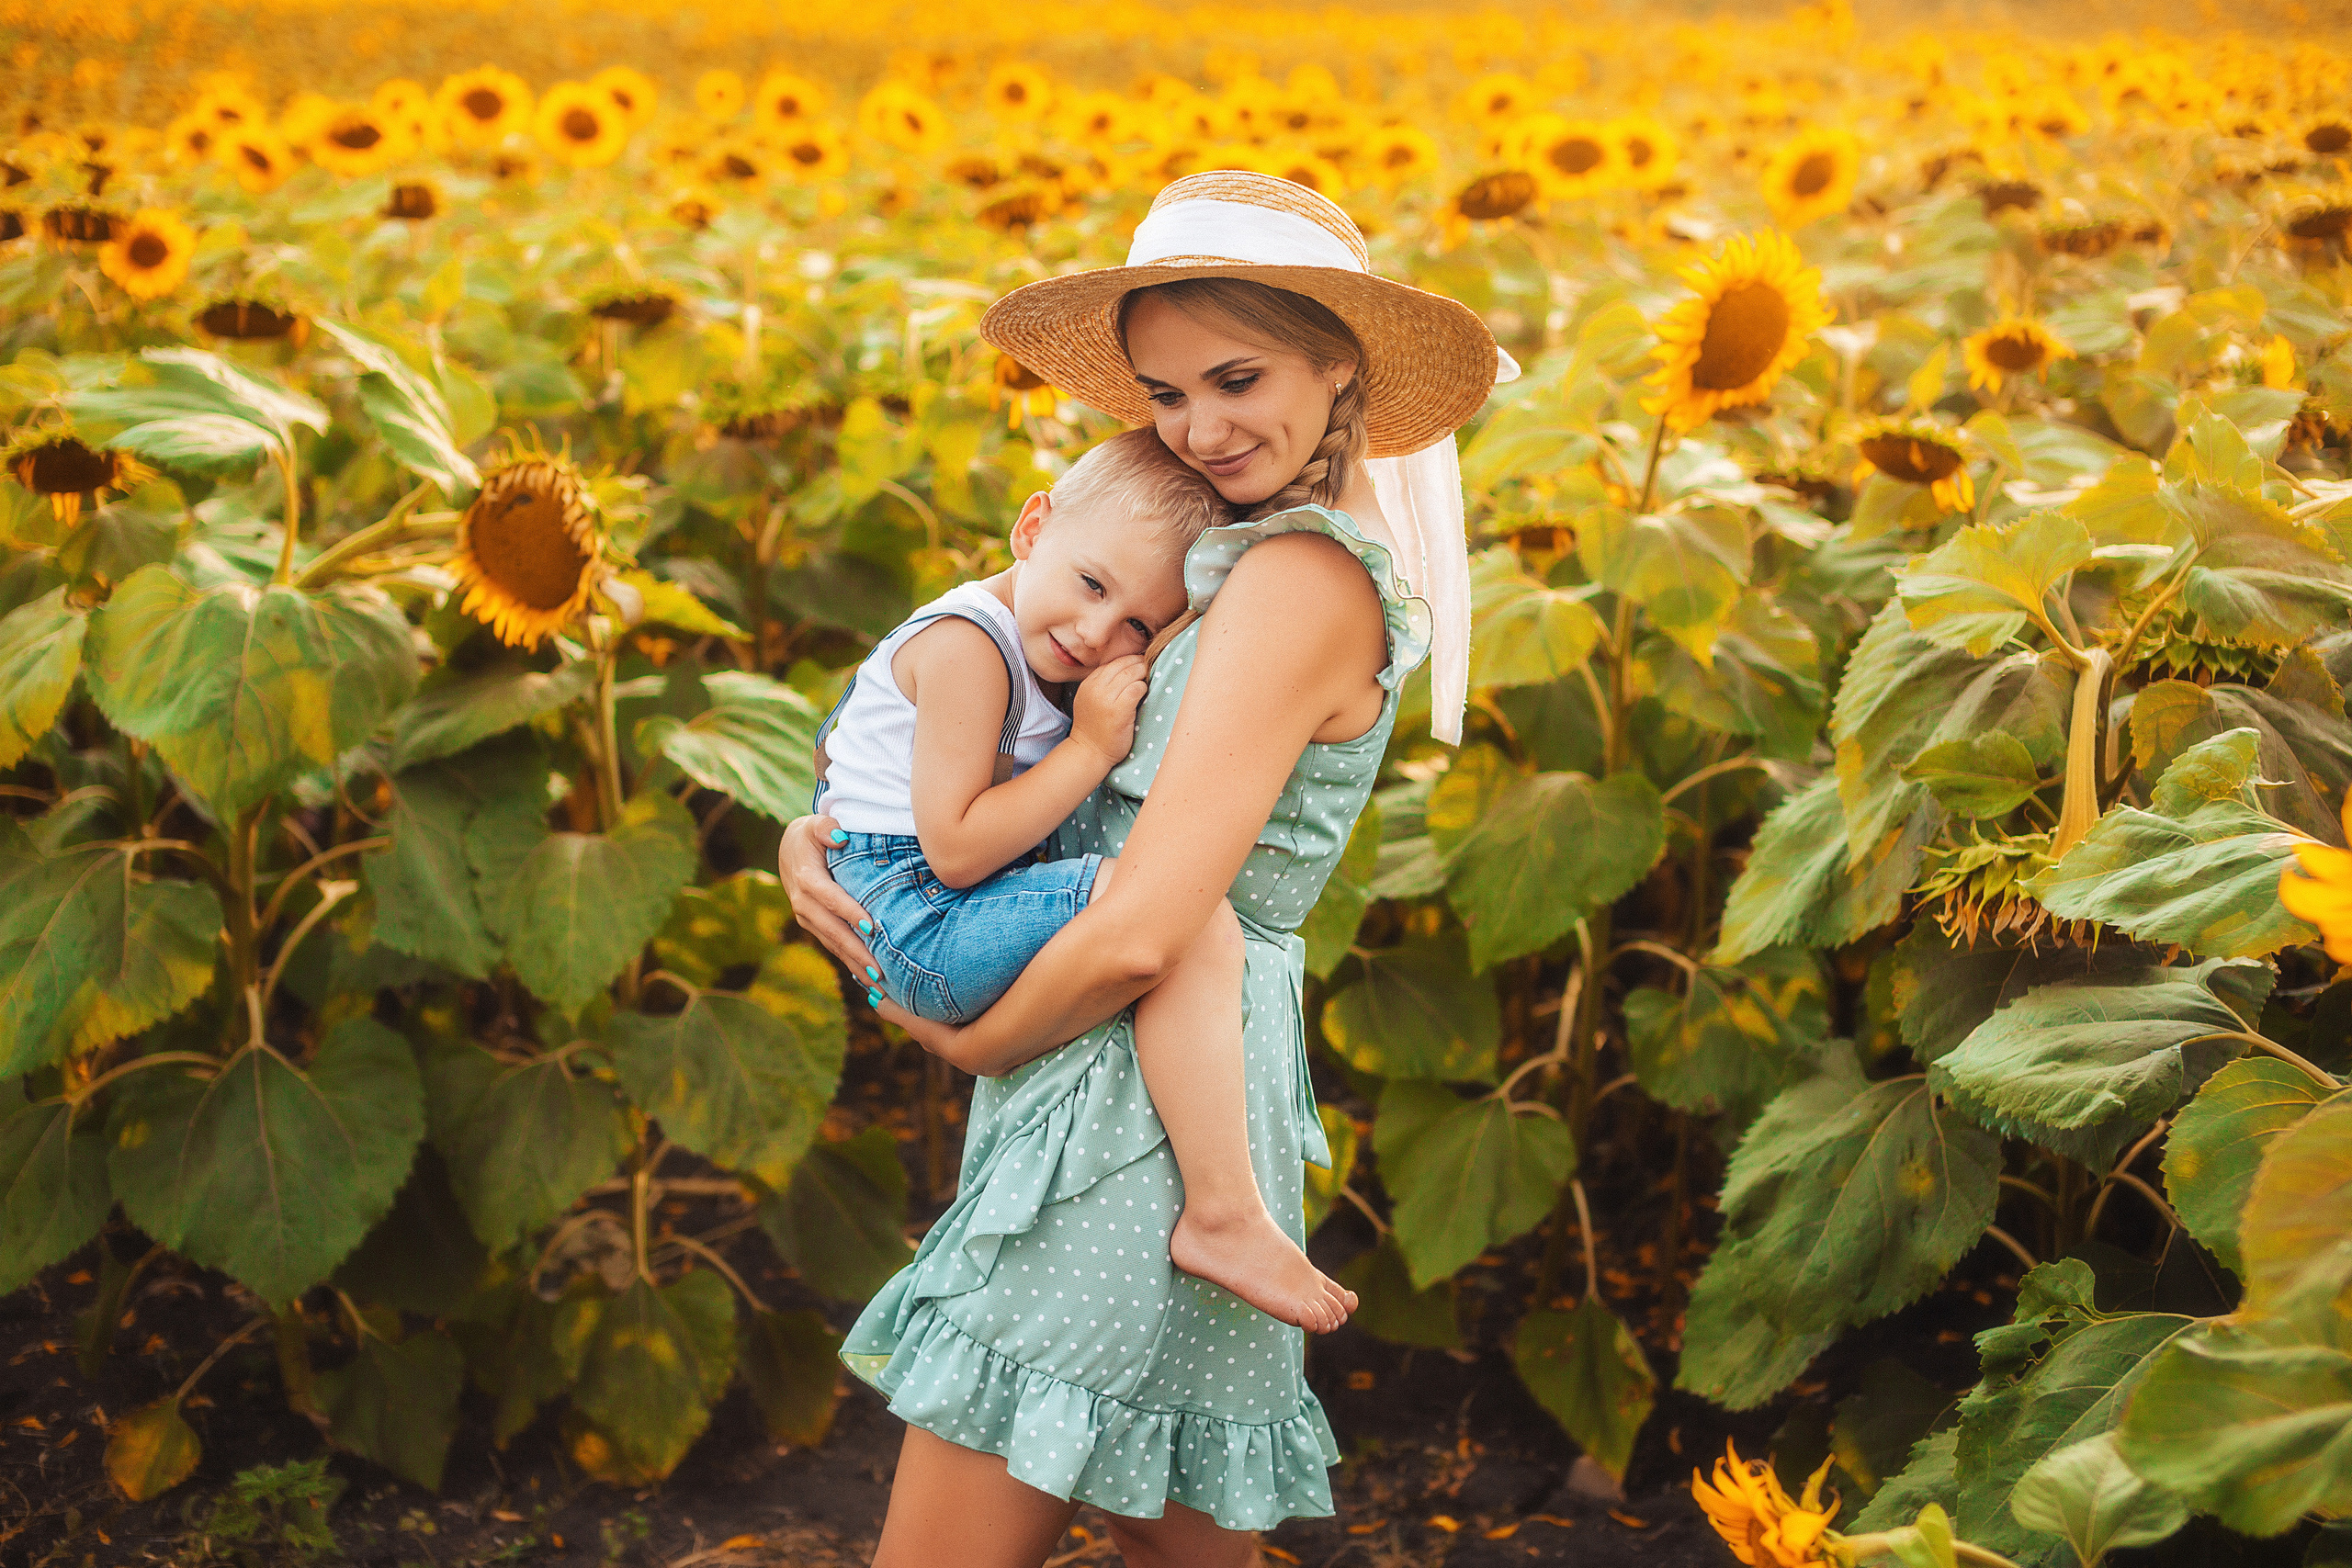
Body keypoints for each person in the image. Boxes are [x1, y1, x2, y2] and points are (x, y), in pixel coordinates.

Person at [781, 170, 1508, 1568]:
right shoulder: (1221, 553)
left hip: (1128, 1116)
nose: (1201, 428)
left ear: (1338, 360)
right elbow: (1014, 713)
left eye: (1236, 377)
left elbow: (1143, 928)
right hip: (1149, 1087)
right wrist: (823, 829)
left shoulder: (1300, 578)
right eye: (1167, 395)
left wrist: (953, 1029)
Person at [808, 426, 1357, 1334]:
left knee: (1164, 914)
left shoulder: (1026, 634)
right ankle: (1221, 1213)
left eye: (1139, 626)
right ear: (1032, 527)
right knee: (1187, 920)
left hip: (923, 906)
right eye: (1092, 585)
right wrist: (1093, 747)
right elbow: (952, 849)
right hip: (923, 916)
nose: (1097, 633)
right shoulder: (969, 648)